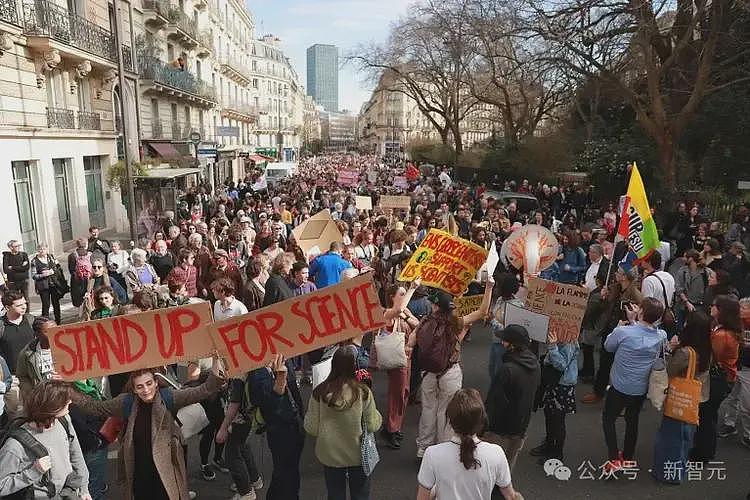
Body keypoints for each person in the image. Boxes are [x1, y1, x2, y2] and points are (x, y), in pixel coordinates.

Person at [72, 359, 226, 500]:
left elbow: (204, 390)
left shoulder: (169, 397)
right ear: (133, 389)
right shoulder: (126, 402)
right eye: (140, 386)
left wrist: (216, 362)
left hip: (166, 470)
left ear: (156, 383)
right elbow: (96, 408)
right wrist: (68, 389)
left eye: (149, 384)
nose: (146, 390)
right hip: (139, 470)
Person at [412, 278, 494, 460]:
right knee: (446, 411)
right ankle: (443, 448)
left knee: (428, 409)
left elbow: (412, 342)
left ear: (434, 306)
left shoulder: (425, 321)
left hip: (428, 373)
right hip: (450, 371)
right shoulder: (456, 322)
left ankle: (423, 448)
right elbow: (482, 312)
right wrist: (488, 287)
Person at [304, 346, 383, 500]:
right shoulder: (363, 393)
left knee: (335, 494)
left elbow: (311, 428)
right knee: (360, 493)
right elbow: (373, 424)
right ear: (354, 366)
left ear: (333, 365)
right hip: (358, 454)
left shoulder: (319, 392)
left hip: (330, 454)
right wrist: (378, 416)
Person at [417, 389, 522, 500]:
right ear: (481, 421)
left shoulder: (432, 454)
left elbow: (422, 498)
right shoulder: (496, 453)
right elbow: (511, 496)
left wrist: (436, 490)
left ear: (450, 421)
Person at [601, 297, 668, 472]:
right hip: (640, 388)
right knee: (633, 420)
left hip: (619, 385)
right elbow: (646, 332)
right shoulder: (661, 336)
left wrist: (624, 325)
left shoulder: (623, 332)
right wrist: (634, 321)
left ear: (642, 312)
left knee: (609, 418)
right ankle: (628, 456)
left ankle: (614, 457)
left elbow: (608, 346)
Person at [0, 380, 91, 500]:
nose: (70, 401)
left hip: (70, 492)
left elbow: (76, 454)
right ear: (53, 406)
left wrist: (84, 488)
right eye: (65, 400)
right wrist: (33, 472)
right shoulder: (14, 446)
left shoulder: (64, 420)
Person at [652, 311, 712, 484]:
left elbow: (670, 370)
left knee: (671, 439)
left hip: (679, 398)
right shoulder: (707, 349)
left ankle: (668, 474)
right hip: (695, 398)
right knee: (685, 439)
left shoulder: (686, 352)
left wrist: (671, 349)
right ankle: (679, 469)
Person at [690, 294, 742, 462]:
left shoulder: (722, 336)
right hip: (724, 378)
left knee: (706, 416)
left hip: (717, 379)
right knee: (709, 415)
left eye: (714, 305)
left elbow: (711, 356)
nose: (711, 307)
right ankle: (704, 450)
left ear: (721, 310)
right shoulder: (726, 330)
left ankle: (702, 453)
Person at [582, 266, 644, 404]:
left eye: (619, 272)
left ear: (624, 277)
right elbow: (603, 307)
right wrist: (603, 297)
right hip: (610, 331)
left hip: (625, 335)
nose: (616, 274)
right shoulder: (613, 289)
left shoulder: (636, 296)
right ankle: (599, 391)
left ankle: (621, 395)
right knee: (604, 363)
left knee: (622, 366)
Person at [250, 354, 305, 500]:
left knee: (287, 472)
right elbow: (267, 404)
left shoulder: (284, 360)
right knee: (285, 474)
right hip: (280, 431)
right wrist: (280, 380)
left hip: (295, 424)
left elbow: (294, 392)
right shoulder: (257, 371)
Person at [485, 325, 540, 471]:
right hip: (521, 425)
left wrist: (484, 426)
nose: (502, 343)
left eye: (505, 340)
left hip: (501, 429)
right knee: (507, 466)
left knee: (490, 466)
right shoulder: (534, 363)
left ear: (512, 345)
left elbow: (494, 401)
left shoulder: (507, 369)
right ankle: (504, 490)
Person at [379, 280, 421, 449]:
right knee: (397, 393)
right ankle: (391, 428)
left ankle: (394, 426)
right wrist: (412, 288)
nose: (405, 297)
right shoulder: (387, 313)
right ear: (392, 297)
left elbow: (418, 325)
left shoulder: (403, 311)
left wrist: (407, 318)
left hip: (406, 357)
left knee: (404, 392)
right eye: (401, 295)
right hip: (396, 359)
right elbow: (400, 311)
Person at [488, 274, 524, 380]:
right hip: (495, 341)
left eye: (498, 286)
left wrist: (493, 321)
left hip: (505, 345)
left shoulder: (516, 306)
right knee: (492, 369)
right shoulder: (500, 300)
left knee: (499, 373)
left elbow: (510, 329)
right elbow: (495, 313)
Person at [16, 316, 60, 400]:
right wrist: (35, 391)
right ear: (37, 334)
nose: (53, 333)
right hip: (42, 399)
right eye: (47, 331)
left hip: (65, 395)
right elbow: (22, 377)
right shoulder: (27, 354)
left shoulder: (67, 348)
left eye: (55, 329)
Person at [30, 243, 63, 325]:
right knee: (46, 305)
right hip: (43, 286)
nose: (42, 251)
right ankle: (44, 323)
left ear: (47, 249)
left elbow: (58, 267)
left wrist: (52, 271)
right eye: (40, 249)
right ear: (37, 251)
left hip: (54, 284)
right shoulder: (34, 261)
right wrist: (43, 275)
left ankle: (58, 321)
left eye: (44, 249)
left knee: (56, 303)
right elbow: (34, 276)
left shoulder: (51, 257)